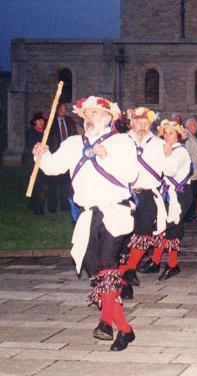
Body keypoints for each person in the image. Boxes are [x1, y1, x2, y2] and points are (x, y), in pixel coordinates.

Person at [33, 96, 138, 351]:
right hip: (88, 214)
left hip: (115, 211)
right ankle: (121, 327)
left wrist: (106, 156)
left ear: (107, 118)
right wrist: (41, 156)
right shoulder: (72, 143)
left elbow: (131, 174)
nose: (90, 118)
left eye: (96, 114)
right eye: (87, 114)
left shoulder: (122, 142)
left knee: (108, 266)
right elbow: (53, 168)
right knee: (95, 271)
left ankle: (111, 325)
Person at [120, 107, 177, 289]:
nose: (142, 126)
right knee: (122, 237)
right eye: (138, 122)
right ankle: (124, 274)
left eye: (145, 122)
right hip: (124, 194)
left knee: (143, 235)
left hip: (147, 195)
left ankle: (130, 270)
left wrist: (168, 155)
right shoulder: (120, 141)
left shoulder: (158, 144)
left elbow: (170, 171)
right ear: (131, 122)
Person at [140, 120, 193, 280]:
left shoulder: (180, 151)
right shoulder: (166, 149)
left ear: (178, 135)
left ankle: (171, 264)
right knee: (164, 226)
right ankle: (156, 261)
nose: (167, 136)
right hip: (167, 193)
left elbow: (170, 170)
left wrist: (166, 154)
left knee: (171, 227)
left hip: (180, 194)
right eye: (165, 133)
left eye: (171, 132)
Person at [46, 103, 78, 213]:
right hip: (56, 154)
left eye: (63, 108)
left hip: (68, 155)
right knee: (53, 183)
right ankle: (52, 206)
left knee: (66, 183)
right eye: (59, 108)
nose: (61, 110)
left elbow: (74, 135)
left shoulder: (69, 121)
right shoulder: (51, 122)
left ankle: (65, 205)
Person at [22, 112, 48, 215]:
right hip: (32, 162)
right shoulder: (30, 133)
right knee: (36, 185)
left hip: (44, 162)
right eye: (39, 120)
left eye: (42, 120)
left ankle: (38, 205)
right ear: (35, 122)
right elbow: (29, 147)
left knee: (42, 185)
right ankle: (37, 208)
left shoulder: (46, 133)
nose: (41, 122)